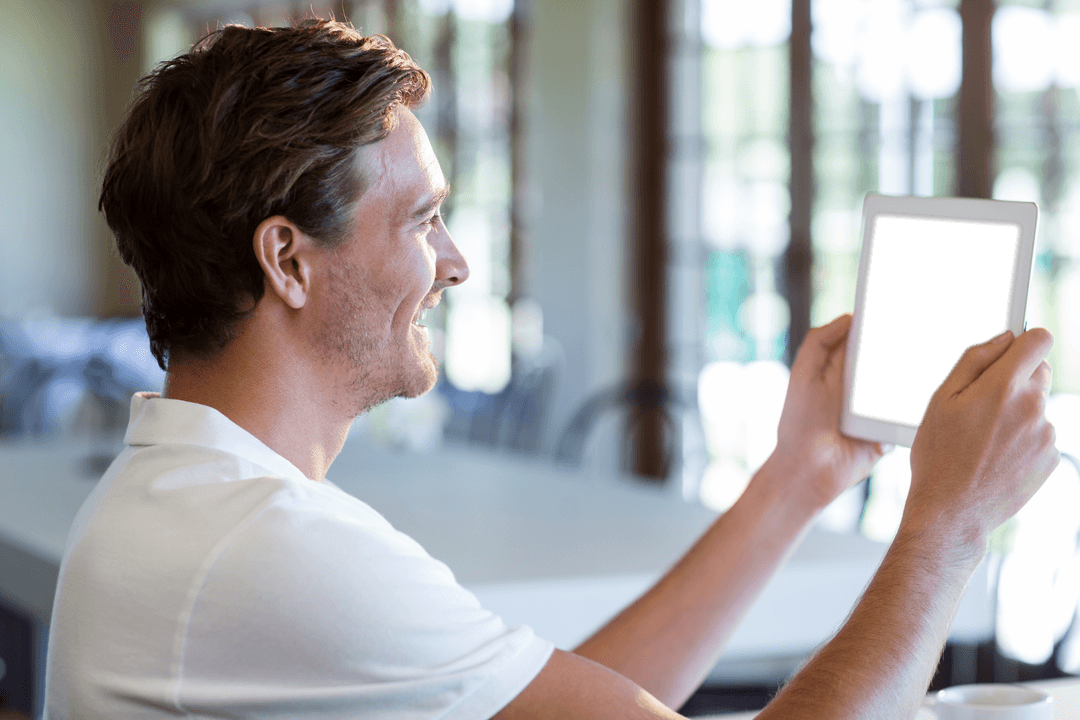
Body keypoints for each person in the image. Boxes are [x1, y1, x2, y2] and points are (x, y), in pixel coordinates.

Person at [44, 18, 1060, 720]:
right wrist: (949, 527)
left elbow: (550, 701)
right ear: (289, 260)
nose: (457, 263)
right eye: (424, 220)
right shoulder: (269, 553)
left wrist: (801, 477)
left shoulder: (193, 502)